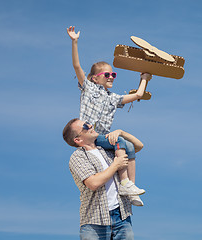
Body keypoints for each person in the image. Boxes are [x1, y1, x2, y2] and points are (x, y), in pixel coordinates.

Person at [67, 26, 152, 205]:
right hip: (91, 136)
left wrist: (144, 78)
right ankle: (125, 182)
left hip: (102, 136)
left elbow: (137, 95)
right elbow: (77, 66)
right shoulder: (88, 88)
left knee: (128, 146)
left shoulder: (113, 98)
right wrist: (74, 41)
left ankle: (131, 187)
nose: (112, 77)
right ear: (95, 78)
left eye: (113, 74)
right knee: (119, 142)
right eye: (107, 74)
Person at [63, 118, 143, 240]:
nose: (90, 126)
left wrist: (121, 133)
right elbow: (93, 183)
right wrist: (116, 165)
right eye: (85, 126)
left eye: (88, 123)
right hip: (94, 221)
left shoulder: (108, 150)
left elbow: (137, 146)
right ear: (78, 140)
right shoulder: (77, 157)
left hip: (121, 217)